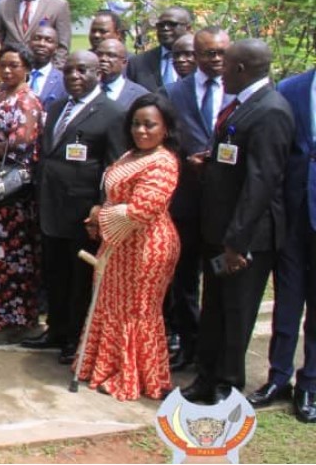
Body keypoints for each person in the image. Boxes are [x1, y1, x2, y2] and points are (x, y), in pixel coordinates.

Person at [184, 39, 294, 405]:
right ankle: (205, 375)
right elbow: (236, 161)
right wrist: (210, 162)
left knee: (237, 312)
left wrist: (237, 243)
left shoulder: (271, 111)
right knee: (214, 307)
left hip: (246, 238)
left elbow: (262, 182)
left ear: (242, 70)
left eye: (225, 64)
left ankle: (226, 385)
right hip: (219, 228)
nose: (217, 69)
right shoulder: (240, 107)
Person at [76, 94, 182, 400]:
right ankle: (104, 366)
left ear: (166, 129)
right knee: (111, 305)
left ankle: (133, 374)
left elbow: (141, 210)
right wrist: (100, 217)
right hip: (118, 244)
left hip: (147, 246)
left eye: (150, 125)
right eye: (136, 124)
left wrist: (100, 214)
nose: (142, 131)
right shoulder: (130, 155)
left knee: (136, 311)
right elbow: (115, 197)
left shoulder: (163, 162)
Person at [23, 51, 126, 364]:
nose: (74, 76)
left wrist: (100, 207)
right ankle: (55, 329)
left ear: (98, 73)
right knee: (54, 273)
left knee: (79, 278)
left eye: (82, 70)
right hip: (51, 206)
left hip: (84, 213)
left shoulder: (111, 113)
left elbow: (114, 167)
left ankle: (75, 338)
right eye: (69, 71)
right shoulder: (56, 108)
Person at [160, 27, 231, 372]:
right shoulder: (173, 93)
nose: (215, 59)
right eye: (208, 53)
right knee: (184, 280)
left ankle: (215, 352)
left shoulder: (241, 92)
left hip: (225, 205)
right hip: (185, 202)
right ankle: (188, 345)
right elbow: (163, 142)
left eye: (220, 52)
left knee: (220, 283)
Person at [251, 60, 316, 421]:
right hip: (292, 213)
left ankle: (310, 382)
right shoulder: (291, 89)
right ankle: (279, 377)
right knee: (287, 299)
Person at [0, 44, 43, 330]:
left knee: (13, 252)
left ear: (26, 68)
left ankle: (14, 314)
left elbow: (23, 142)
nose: (8, 70)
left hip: (12, 188)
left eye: (14, 65)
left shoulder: (27, 101)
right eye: (3, 65)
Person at [127, 7, 193, 92]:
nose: (165, 28)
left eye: (171, 24)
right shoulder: (137, 63)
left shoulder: (200, 59)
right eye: (160, 25)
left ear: (188, 28)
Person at [95, 39, 150, 110]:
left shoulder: (141, 95)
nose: (103, 59)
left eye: (111, 55)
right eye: (99, 54)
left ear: (124, 63)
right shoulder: (83, 90)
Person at [28, 25, 66, 108]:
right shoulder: (16, 75)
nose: (42, 44)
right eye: (37, 39)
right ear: (29, 43)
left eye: (49, 40)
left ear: (56, 48)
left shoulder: (63, 81)